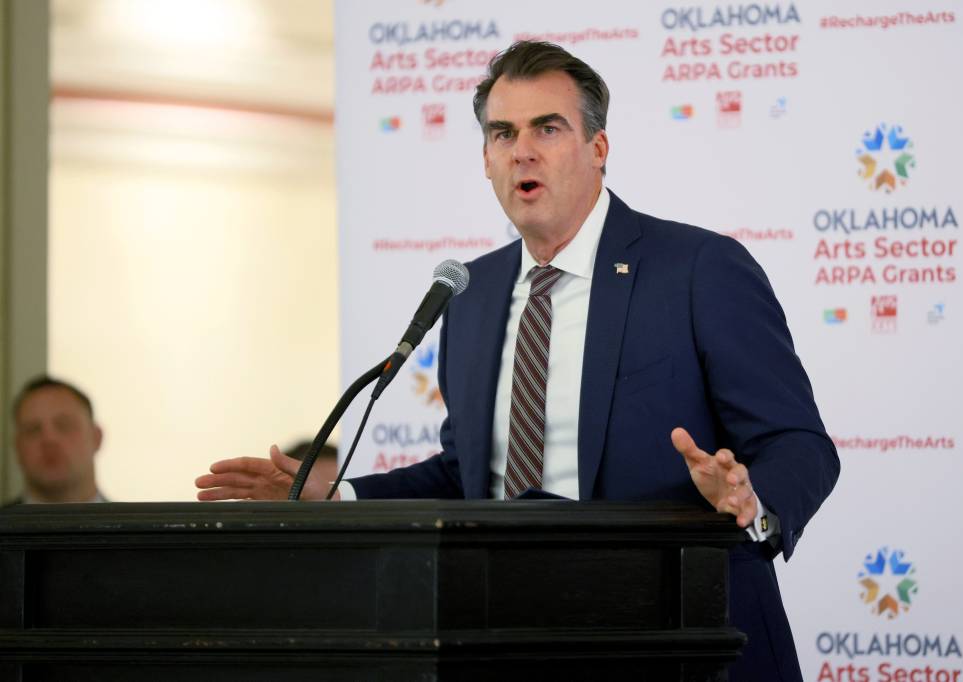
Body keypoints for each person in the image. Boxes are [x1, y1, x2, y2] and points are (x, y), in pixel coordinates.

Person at [196, 41, 839, 680]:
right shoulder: (469, 295)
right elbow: (469, 473)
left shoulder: (698, 270)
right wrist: (338, 495)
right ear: (486, 159)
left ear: (598, 149)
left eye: (547, 128)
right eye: (503, 133)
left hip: (683, 638)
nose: (521, 150)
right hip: (515, 638)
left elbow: (799, 442)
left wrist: (754, 502)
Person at [7, 375, 107, 505]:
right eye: (33, 429)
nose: (49, 439)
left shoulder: (137, 525)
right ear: (17, 446)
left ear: (96, 437)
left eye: (64, 425)